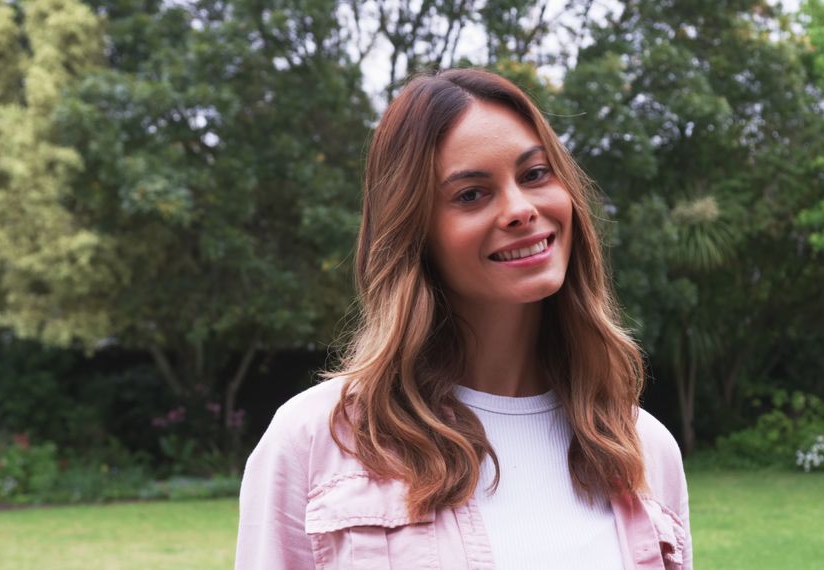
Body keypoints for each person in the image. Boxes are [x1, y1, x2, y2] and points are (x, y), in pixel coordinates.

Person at [235, 68, 692, 570]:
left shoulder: (643, 448)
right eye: (471, 194)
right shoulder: (315, 441)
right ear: (415, 233)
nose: (520, 209)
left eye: (535, 174)